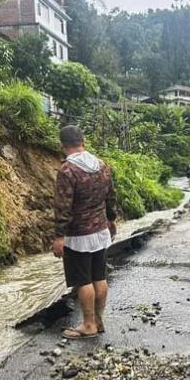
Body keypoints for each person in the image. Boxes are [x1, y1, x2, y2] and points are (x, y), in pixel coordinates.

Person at [53, 125, 117, 340]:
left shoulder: (68, 171)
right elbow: (111, 196)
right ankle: (98, 320)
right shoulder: (102, 165)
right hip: (100, 231)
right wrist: (111, 219)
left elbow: (63, 207)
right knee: (99, 276)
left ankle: (88, 325)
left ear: (63, 146)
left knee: (83, 280)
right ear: (83, 142)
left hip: (78, 236)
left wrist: (59, 236)